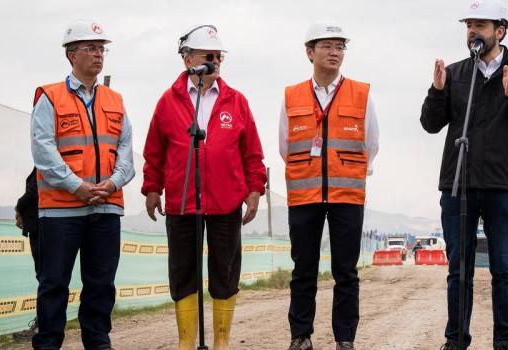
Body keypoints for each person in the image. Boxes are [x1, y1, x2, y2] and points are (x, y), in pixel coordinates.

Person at [419, 1, 508, 349]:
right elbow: (430, 124)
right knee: (458, 270)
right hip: (458, 185)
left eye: (480, 25)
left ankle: (504, 342)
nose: (473, 31)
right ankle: (456, 340)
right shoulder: (457, 73)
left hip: (502, 187)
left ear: (500, 31)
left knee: (503, 270)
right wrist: (437, 90)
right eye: (469, 26)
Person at [141, 24, 267, 350]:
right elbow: (154, 149)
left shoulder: (236, 101)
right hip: (183, 202)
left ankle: (222, 342)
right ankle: (187, 342)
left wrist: (255, 190)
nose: (216, 61)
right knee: (183, 273)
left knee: (225, 272)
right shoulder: (168, 102)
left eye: (219, 56)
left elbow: (252, 151)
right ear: (188, 60)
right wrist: (152, 188)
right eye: (209, 56)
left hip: (226, 202)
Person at [30, 20, 135, 349]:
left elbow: (127, 155)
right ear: (71, 54)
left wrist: (113, 183)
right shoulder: (49, 97)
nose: (98, 54)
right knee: (54, 284)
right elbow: (43, 151)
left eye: (102, 48)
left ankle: (98, 342)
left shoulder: (116, 100)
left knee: (101, 284)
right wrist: (77, 187)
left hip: (106, 208)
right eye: (91, 47)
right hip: (61, 211)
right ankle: (48, 343)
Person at [280, 21, 379, 350]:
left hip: (347, 194)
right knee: (303, 269)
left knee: (346, 272)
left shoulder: (361, 93)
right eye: (327, 46)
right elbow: (284, 145)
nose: (335, 52)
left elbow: (372, 143)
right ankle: (300, 336)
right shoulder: (291, 95)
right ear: (310, 52)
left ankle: (345, 339)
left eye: (340, 47)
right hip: (304, 194)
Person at [12, 168, 39, 341]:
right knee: (46, 278)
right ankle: (44, 324)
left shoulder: (46, 158)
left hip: (42, 226)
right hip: (39, 225)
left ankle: (43, 327)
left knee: (46, 278)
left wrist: (18, 207)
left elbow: (34, 192)